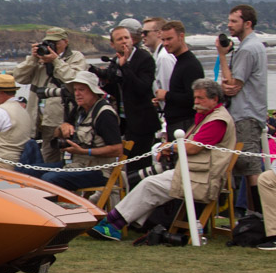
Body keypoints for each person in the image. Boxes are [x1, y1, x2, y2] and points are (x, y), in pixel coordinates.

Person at [90, 79, 236, 241]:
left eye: (200, 98)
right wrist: (171, 147)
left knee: (150, 184)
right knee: (150, 183)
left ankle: (113, 224)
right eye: (195, 98)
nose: (196, 102)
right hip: (193, 173)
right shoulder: (208, 117)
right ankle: (114, 222)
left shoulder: (217, 121)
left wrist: (170, 147)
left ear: (214, 99)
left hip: (201, 178)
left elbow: (193, 148)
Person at [33, 70, 124, 191]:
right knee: (28, 172)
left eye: (82, 90)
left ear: (93, 91)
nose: (77, 94)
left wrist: (85, 151)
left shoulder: (105, 114)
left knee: (49, 178)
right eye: (75, 90)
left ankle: (54, 209)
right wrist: (62, 128)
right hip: (75, 165)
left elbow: (117, 150)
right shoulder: (79, 110)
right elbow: (56, 135)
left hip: (98, 171)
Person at [217, 4, 267, 212]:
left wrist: (221, 55)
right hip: (249, 112)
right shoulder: (253, 46)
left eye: (233, 21)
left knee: (250, 168)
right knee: (248, 167)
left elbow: (232, 86)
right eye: (228, 21)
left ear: (247, 23)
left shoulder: (247, 49)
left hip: (245, 114)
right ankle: (252, 214)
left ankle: (256, 216)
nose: (229, 25)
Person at [13, 27, 88, 163]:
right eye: (49, 43)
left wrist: (56, 60)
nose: (52, 46)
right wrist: (33, 59)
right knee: (47, 158)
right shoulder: (40, 59)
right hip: (40, 119)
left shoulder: (75, 57)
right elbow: (19, 77)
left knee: (68, 158)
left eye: (56, 43)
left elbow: (74, 79)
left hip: (61, 118)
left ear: (66, 41)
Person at [97, 25, 158, 172]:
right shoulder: (115, 61)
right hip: (125, 120)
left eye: (127, 38)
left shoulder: (144, 58)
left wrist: (125, 68)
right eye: (120, 39)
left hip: (142, 121)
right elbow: (117, 90)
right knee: (128, 165)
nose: (124, 42)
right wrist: (103, 80)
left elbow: (142, 88)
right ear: (113, 44)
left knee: (139, 166)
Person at [154, 20, 204, 139]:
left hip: (184, 124)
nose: (165, 43)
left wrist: (166, 95)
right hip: (176, 123)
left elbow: (193, 98)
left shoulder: (190, 65)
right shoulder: (180, 62)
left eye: (169, 39)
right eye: (163, 40)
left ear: (181, 37)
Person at [141, 16, 175, 107]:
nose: (142, 36)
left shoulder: (164, 57)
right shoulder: (158, 56)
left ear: (159, 33)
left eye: (145, 32)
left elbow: (168, 90)